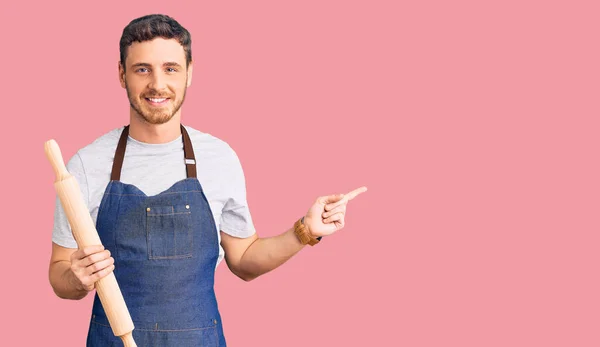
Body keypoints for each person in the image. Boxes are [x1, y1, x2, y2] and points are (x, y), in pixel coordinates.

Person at [48, 14, 366, 346]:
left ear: (189, 74)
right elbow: (59, 273)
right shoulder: (86, 165)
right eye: (143, 69)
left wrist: (304, 232)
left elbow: (244, 260)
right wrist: (77, 278)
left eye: (171, 68)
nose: (157, 84)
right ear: (121, 74)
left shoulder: (219, 158)